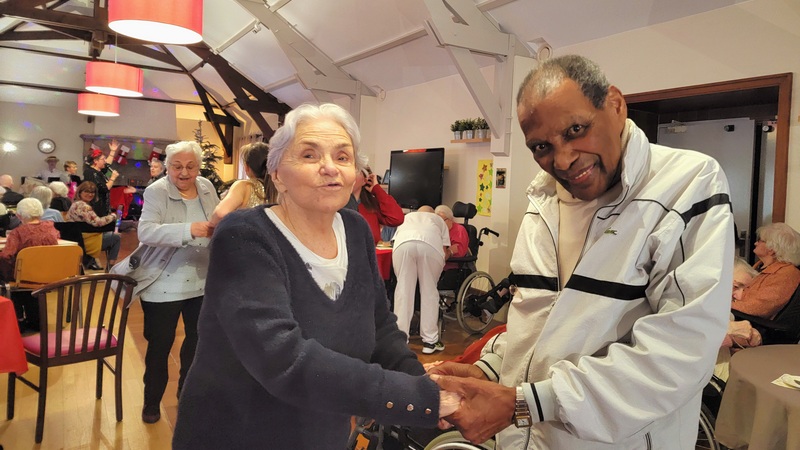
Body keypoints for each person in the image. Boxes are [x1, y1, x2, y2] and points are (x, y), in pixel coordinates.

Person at [429, 55, 734, 448]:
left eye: (576, 129)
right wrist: (490, 369)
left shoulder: (688, 185)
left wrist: (526, 403)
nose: (563, 159)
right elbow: (536, 320)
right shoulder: (542, 201)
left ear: (615, 105)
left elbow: (679, 353)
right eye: (541, 147)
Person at [172, 103, 457, 449]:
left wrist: (423, 386)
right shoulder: (245, 235)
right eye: (309, 155)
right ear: (277, 173)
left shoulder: (355, 230)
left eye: (342, 157)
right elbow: (282, 358)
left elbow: (380, 328)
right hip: (239, 432)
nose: (329, 168)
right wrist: (414, 397)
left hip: (320, 432)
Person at [111, 141, 218, 425]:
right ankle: (151, 401)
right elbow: (146, 232)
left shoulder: (206, 186)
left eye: (190, 166)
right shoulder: (158, 191)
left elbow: (218, 220)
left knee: (196, 345)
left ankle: (187, 396)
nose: (184, 173)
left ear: (198, 167)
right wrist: (189, 230)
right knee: (160, 347)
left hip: (201, 281)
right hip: (162, 283)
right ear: (168, 166)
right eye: (177, 166)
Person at [392, 205, 450, 354]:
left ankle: (400, 341)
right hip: (430, 246)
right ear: (433, 213)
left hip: (403, 245)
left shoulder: (406, 218)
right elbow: (444, 250)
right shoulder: (438, 219)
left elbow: (394, 241)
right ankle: (430, 342)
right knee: (429, 291)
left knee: (403, 291)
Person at [0, 198, 60, 331]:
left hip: (25, 277)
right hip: (49, 274)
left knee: (12, 275)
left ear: (19, 215)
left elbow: (6, 255)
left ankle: (18, 320)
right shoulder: (51, 227)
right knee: (24, 275)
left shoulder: (18, 233)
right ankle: (34, 320)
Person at [731, 222, 800, 319]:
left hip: (752, 323)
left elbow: (759, 307)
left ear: (771, 249)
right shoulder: (761, 266)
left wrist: (723, 306)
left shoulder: (785, 274)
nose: (755, 243)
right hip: (738, 314)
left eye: (760, 240)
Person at [208, 142, 276, 227]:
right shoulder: (278, 188)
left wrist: (210, 227)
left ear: (247, 167)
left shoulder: (245, 186)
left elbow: (220, 213)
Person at [714, 257, 761, 381]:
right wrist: (737, 337)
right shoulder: (691, 308)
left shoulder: (723, 309)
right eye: (736, 286)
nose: (739, 296)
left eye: (743, 289)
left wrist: (749, 334)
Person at [66, 181, 120, 270]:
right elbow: (98, 222)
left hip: (78, 237)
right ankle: (111, 268)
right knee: (116, 237)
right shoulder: (83, 206)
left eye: (92, 192)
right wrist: (113, 216)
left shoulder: (76, 203)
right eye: (86, 191)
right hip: (85, 240)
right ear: (80, 192)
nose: (90, 194)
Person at [346, 165, 404, 244]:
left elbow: (397, 218)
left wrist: (377, 189)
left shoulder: (371, 206)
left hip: (369, 254)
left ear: (365, 179)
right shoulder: (335, 205)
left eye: (355, 171)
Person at [83, 140, 120, 217]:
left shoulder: (99, 171)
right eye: (103, 159)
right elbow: (104, 189)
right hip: (96, 206)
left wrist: (112, 151)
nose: (105, 161)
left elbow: (107, 164)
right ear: (96, 161)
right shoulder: (90, 172)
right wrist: (112, 178)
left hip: (103, 204)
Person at [435, 204, 470, 271]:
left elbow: (459, 252)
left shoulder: (459, 230)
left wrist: (448, 252)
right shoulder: (437, 229)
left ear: (451, 219)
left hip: (450, 266)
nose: (439, 223)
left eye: (442, 220)